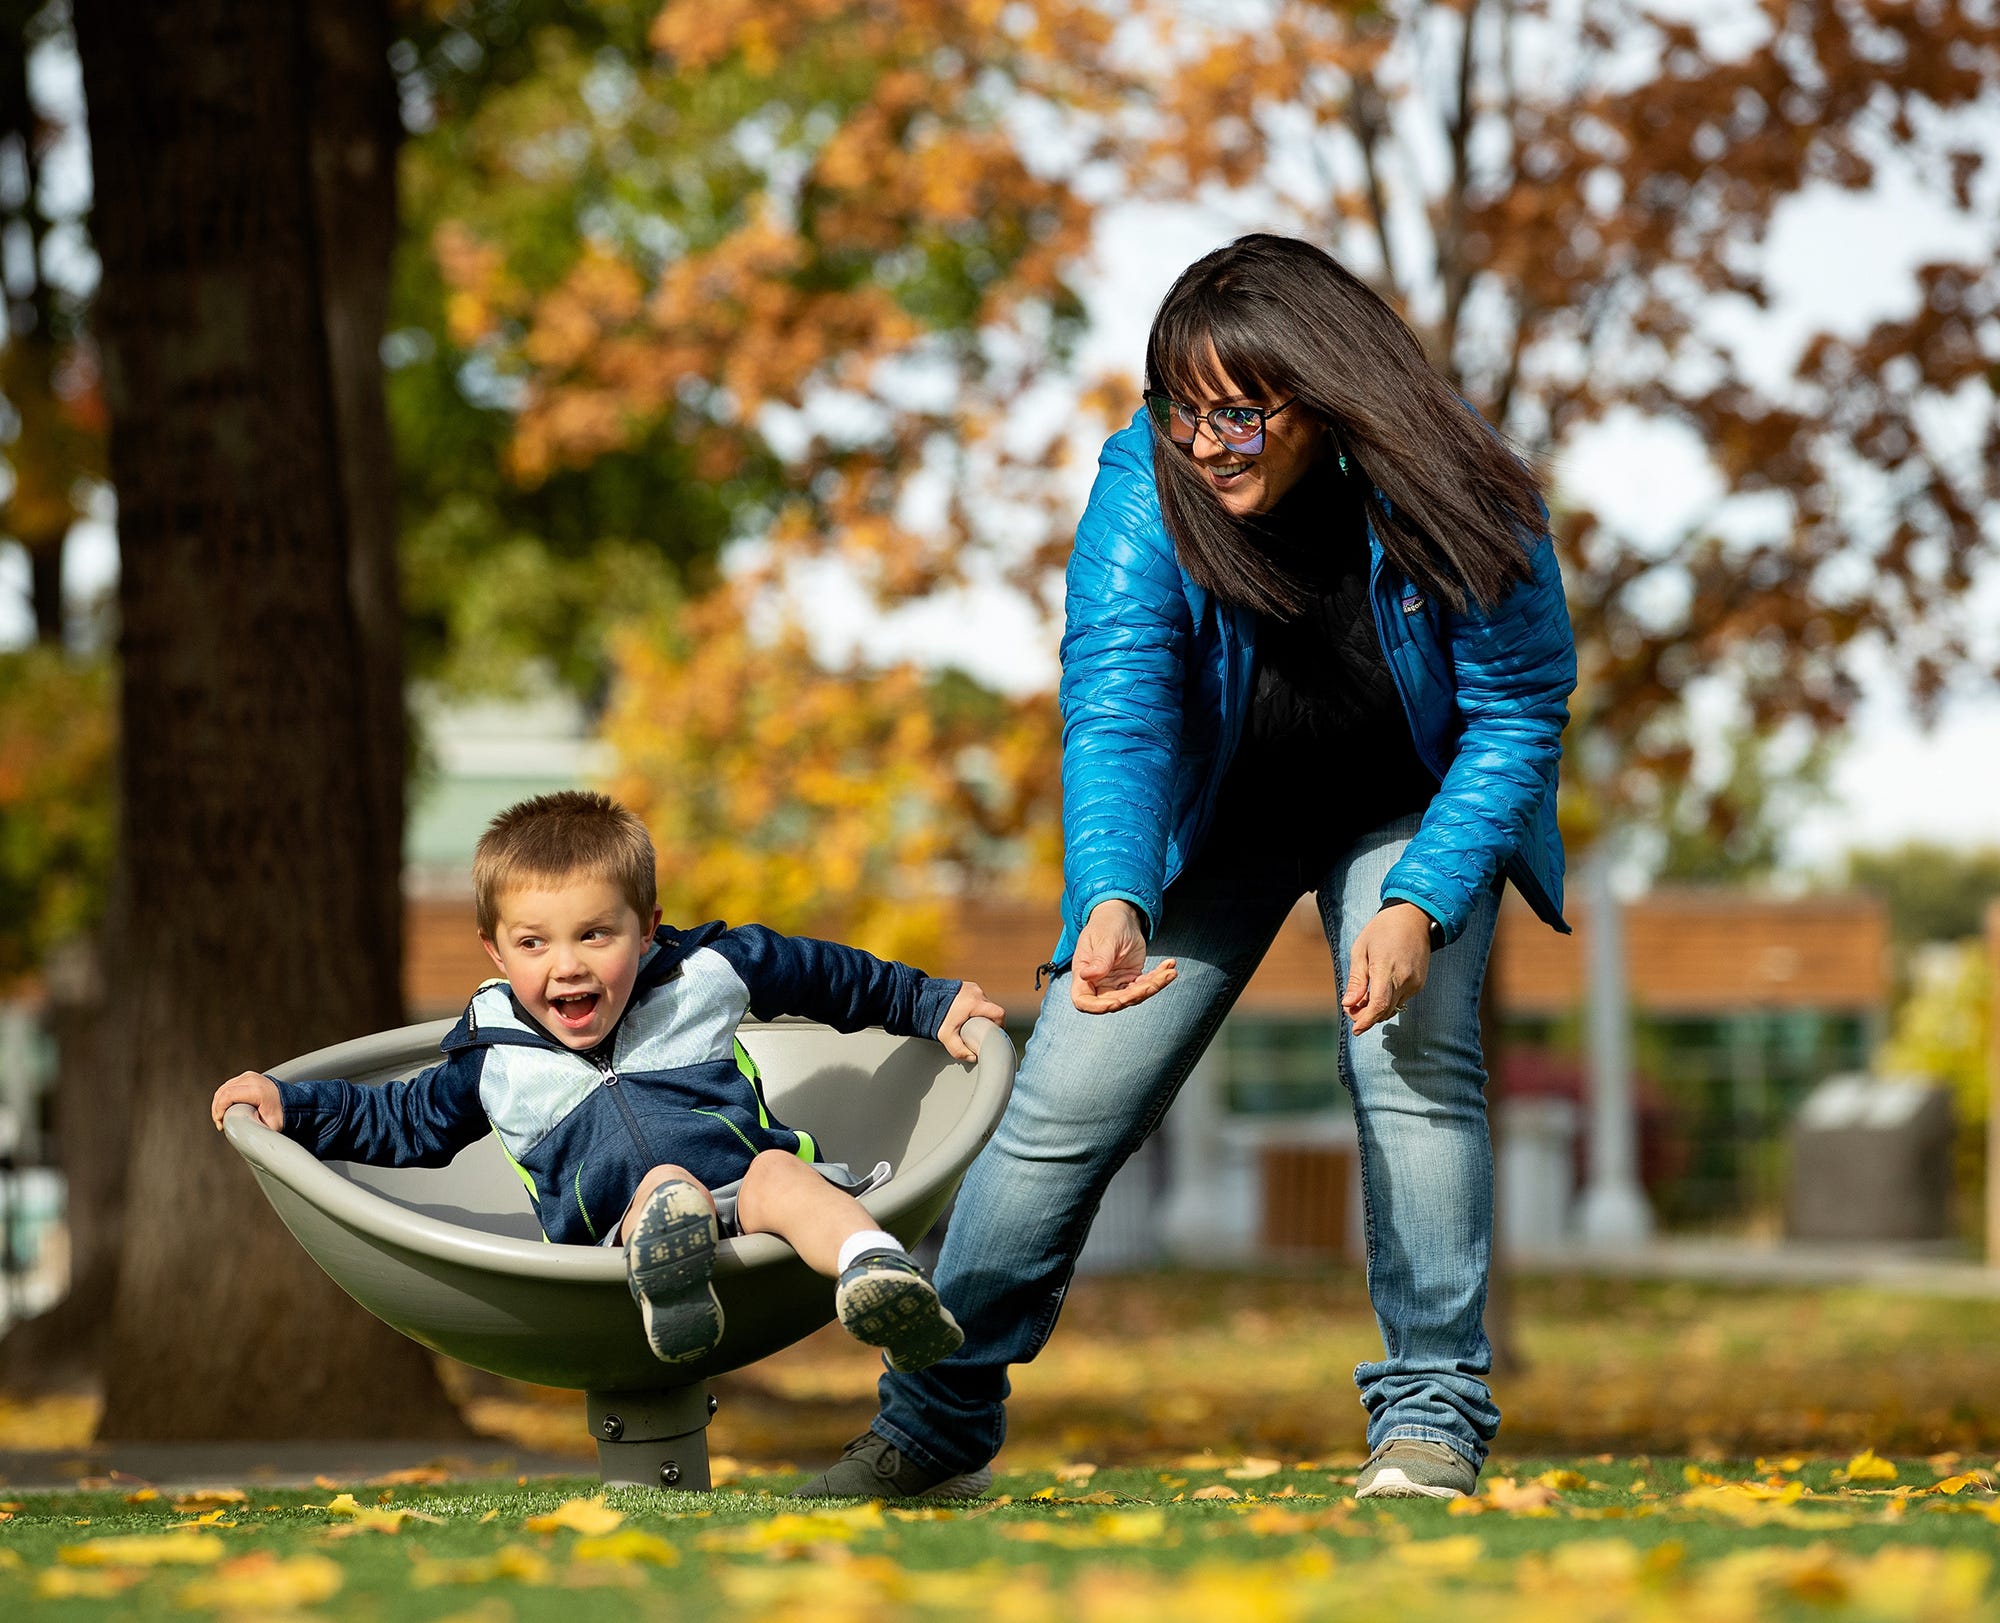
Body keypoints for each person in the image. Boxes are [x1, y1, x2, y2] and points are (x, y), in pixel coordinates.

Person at [795, 234, 1575, 1502]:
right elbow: (1119, 706)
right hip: (1221, 819)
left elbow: (1518, 710)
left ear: (1321, 390)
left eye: (1239, 411)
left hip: (1409, 808)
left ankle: (1429, 1416)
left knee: (1410, 1056)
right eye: (1179, 407)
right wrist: (1111, 890)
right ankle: (931, 1424)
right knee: (1064, 1095)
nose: (1205, 441)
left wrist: (1424, 899)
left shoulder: (1458, 484)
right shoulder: (1139, 485)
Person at [210, 790, 1005, 1373]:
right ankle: (673, 1283)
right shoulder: (494, 1051)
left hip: (753, 1196)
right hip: (609, 1248)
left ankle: (878, 1273)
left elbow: (826, 975)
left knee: (779, 1173)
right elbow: (402, 1120)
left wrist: (929, 1001)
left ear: (646, 925)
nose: (567, 964)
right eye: (534, 943)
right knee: (664, 1186)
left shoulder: (703, 972)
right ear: (495, 951)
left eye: (596, 934)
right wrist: (293, 1105)